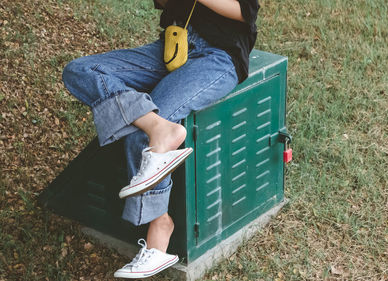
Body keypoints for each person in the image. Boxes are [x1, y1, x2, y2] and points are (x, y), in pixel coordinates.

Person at [61, 0, 259, 278]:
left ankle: (159, 230)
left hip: (219, 56)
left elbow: (244, 11)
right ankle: (157, 126)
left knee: (140, 133)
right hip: (172, 46)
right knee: (80, 70)